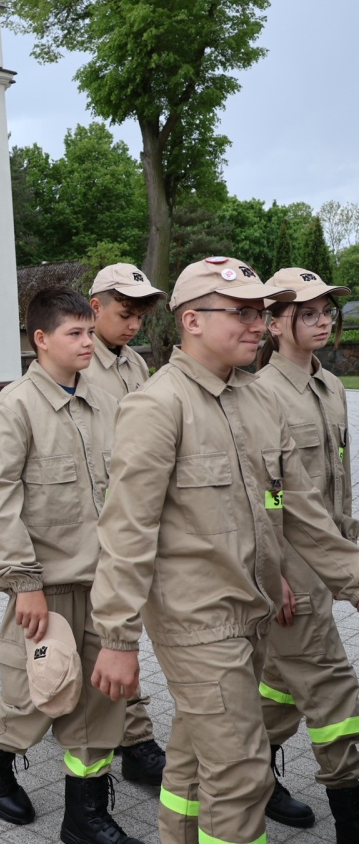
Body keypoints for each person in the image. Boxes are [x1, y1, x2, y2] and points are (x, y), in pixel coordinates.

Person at [90, 257, 359, 844]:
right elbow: (127, 531)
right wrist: (116, 639)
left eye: (260, 312)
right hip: (196, 622)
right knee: (241, 776)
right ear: (191, 320)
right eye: (240, 312)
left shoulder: (257, 401)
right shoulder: (158, 406)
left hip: (253, 613)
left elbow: (306, 518)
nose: (258, 324)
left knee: (190, 762)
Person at [0, 287, 141, 844]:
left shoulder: (107, 404)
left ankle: (83, 815)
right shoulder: (15, 407)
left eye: (91, 331)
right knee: (36, 697)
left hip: (104, 582)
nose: (89, 342)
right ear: (41, 340)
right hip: (46, 585)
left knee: (101, 701)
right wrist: (24, 585)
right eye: (76, 333)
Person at [254, 267, 359, 837]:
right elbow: (265, 501)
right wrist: (274, 578)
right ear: (273, 324)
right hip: (291, 573)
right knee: (335, 691)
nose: (322, 323)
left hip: (330, 562)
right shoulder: (259, 396)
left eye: (327, 313)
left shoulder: (331, 386)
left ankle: (256, 776)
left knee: (277, 686)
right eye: (307, 314)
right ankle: (351, 812)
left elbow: (333, 484)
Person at [82, 263, 170, 788]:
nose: (133, 323)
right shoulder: (73, 361)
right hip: (89, 519)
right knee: (109, 632)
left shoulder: (136, 365)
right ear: (95, 307)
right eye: (123, 313)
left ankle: (127, 732)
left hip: (129, 516)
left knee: (114, 629)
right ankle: (133, 737)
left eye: (139, 314)